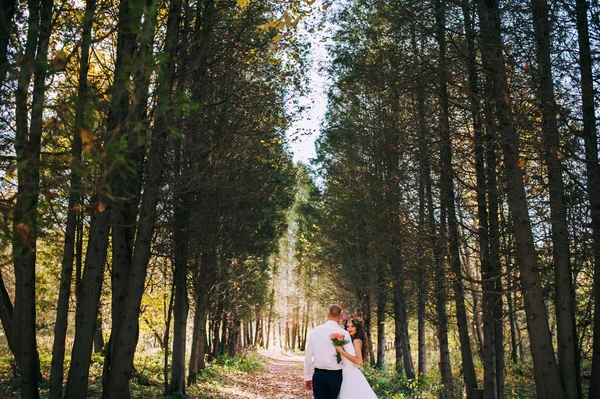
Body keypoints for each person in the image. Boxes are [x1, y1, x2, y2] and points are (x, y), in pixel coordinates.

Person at [304, 304, 355, 399]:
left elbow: (308, 356)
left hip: (319, 375)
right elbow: (351, 355)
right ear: (340, 317)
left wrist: (307, 377)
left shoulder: (315, 331)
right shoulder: (344, 333)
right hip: (336, 376)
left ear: (328, 315)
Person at [334, 314, 378, 399]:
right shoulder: (351, 340)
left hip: (352, 375)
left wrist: (342, 351)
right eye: (347, 326)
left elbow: (359, 361)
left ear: (357, 327)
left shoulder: (356, 341)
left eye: (352, 326)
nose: (349, 329)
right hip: (346, 373)